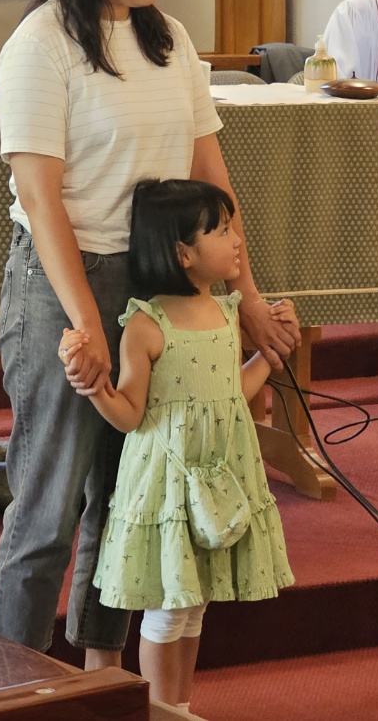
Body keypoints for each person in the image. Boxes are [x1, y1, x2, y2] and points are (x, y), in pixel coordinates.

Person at [0, 0, 301, 671]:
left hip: (157, 284)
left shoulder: (170, 39)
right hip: (66, 282)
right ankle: (13, 683)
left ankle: (101, 676)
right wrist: (86, 323)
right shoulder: (41, 44)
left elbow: (211, 179)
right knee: (50, 505)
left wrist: (248, 294)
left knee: (128, 495)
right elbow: (41, 198)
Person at [59, 178, 296, 713]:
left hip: (216, 475)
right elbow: (130, 414)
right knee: (168, 607)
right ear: (183, 253)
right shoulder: (147, 324)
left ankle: (179, 708)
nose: (237, 240)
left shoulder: (227, 312)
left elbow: (231, 391)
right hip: (167, 483)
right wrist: (94, 388)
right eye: (222, 231)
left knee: (195, 607)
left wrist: (272, 353)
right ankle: (159, 711)